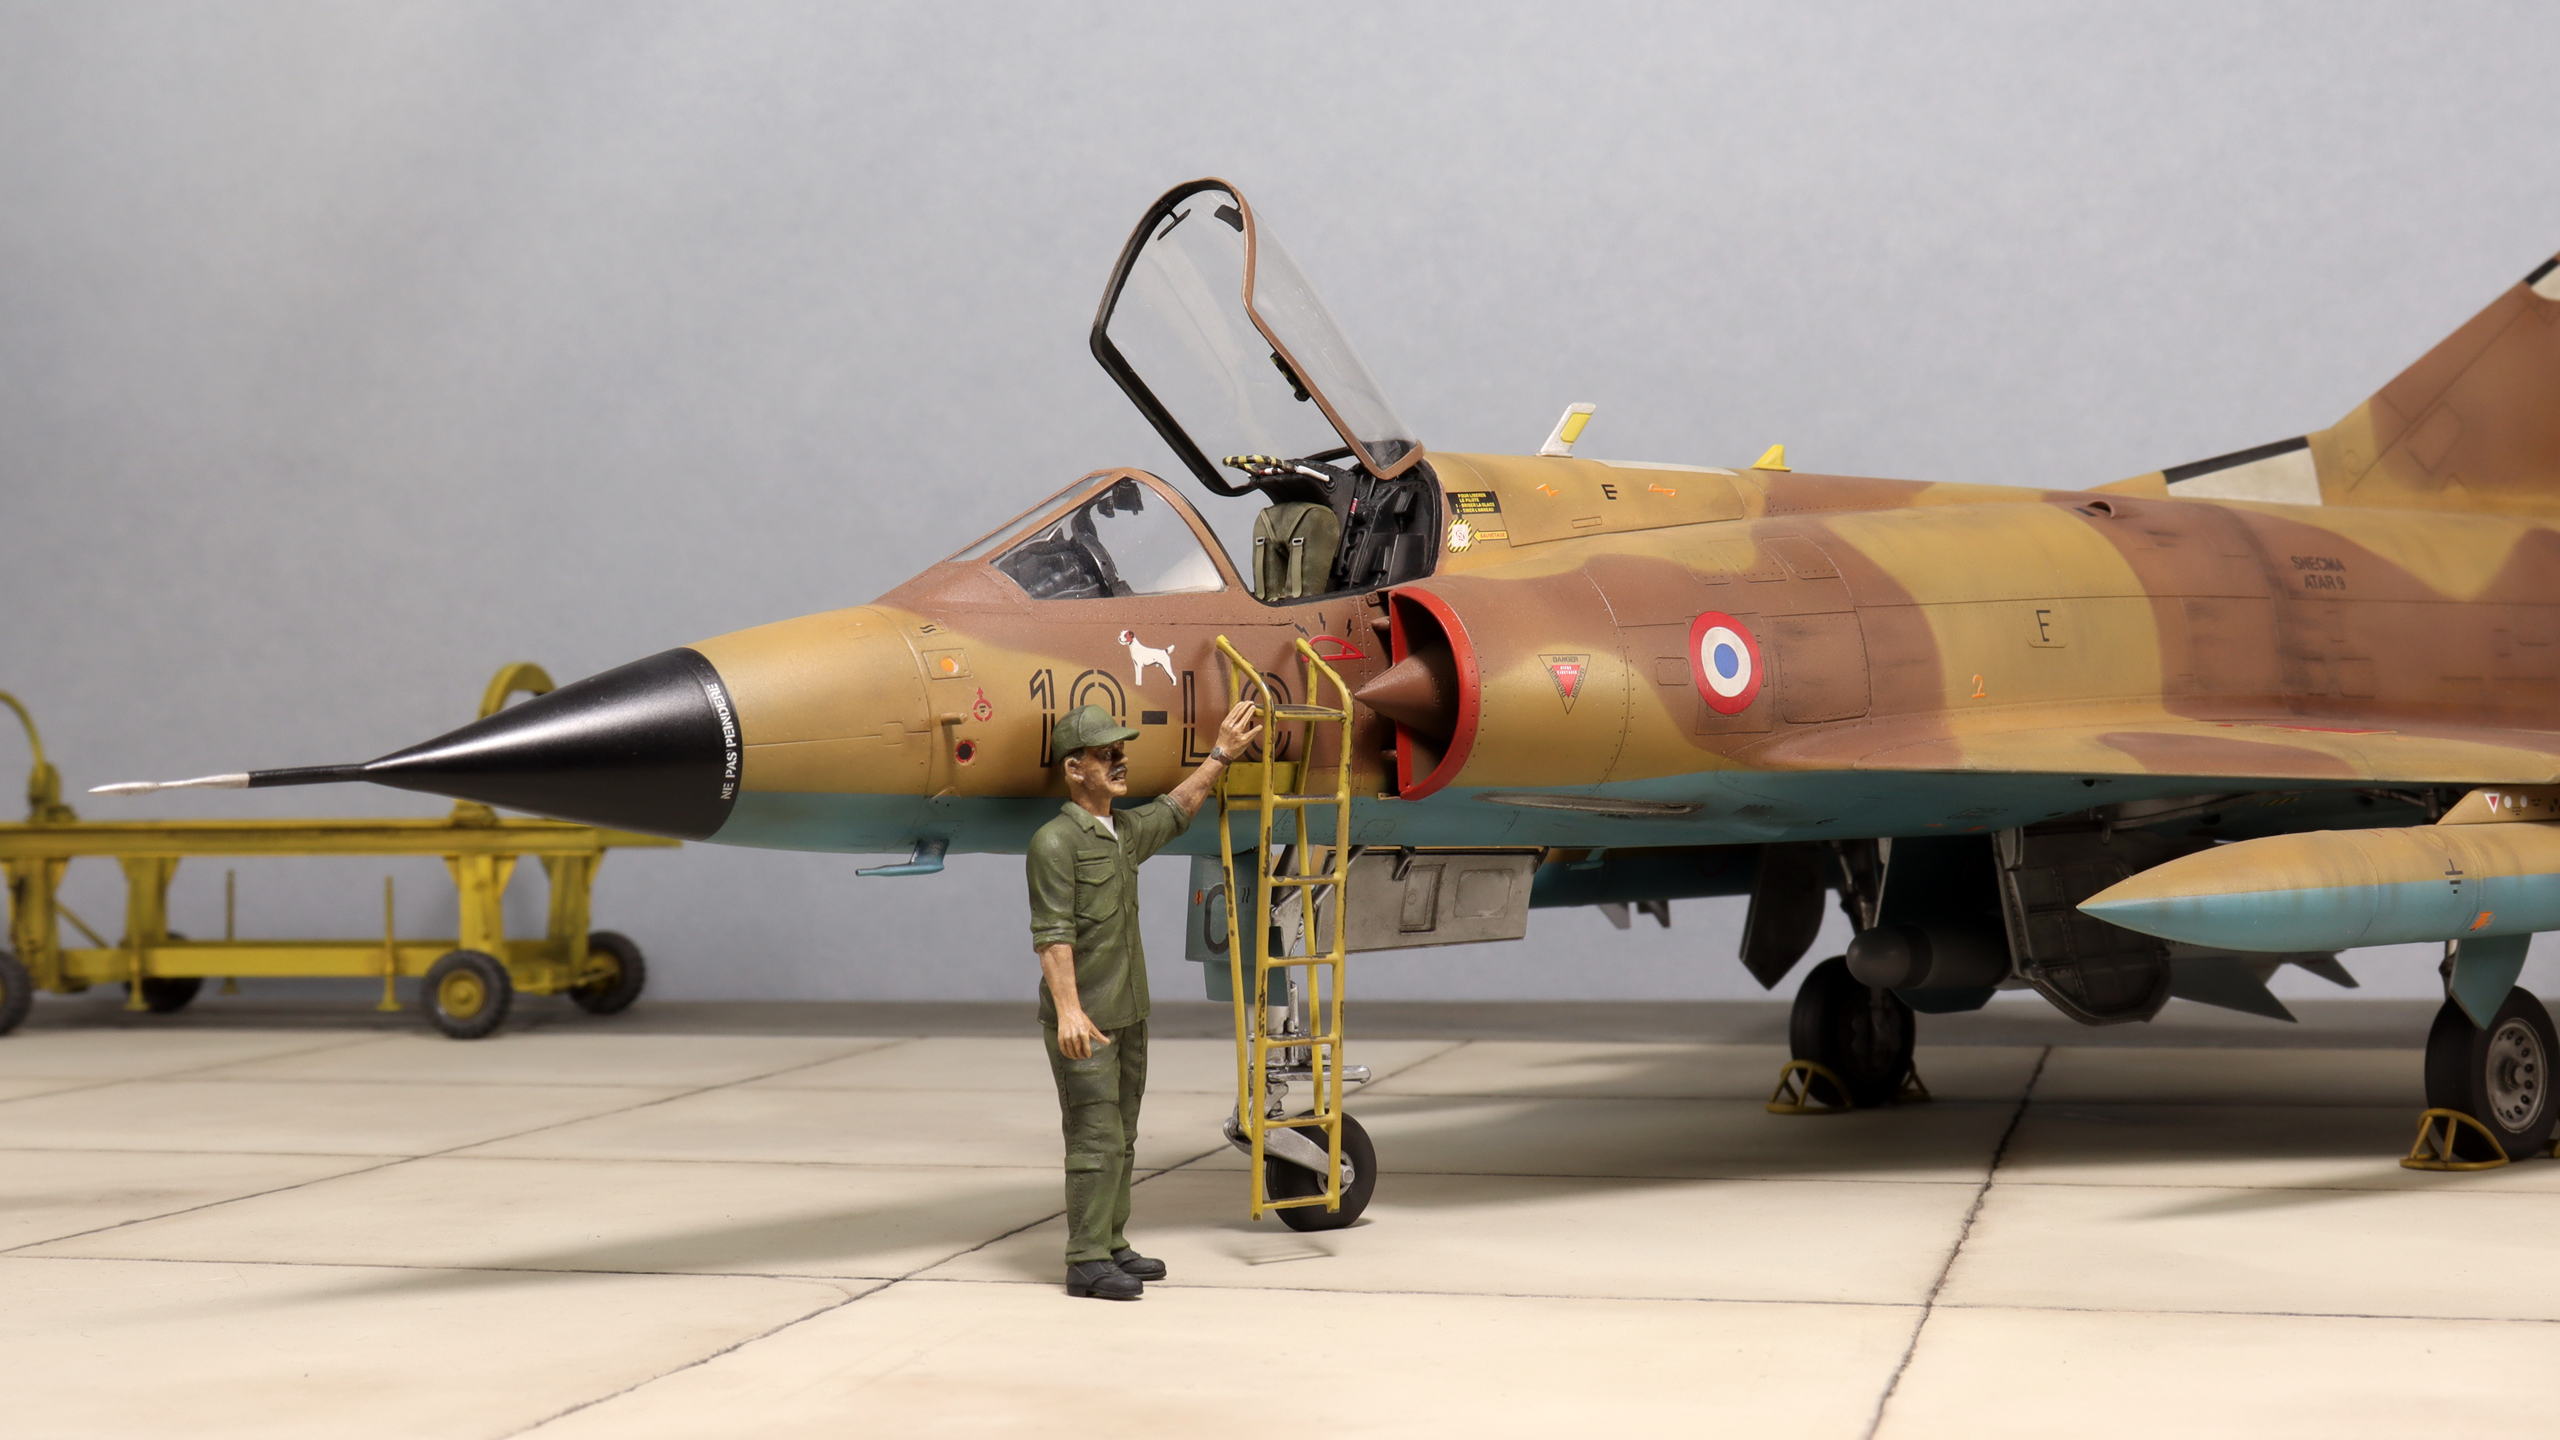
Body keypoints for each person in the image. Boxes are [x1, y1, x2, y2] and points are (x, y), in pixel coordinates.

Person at [1028, 698, 1262, 1300]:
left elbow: (1177, 808)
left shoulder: (1122, 833)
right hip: (1087, 1022)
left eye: (1121, 751)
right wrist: (1069, 1011)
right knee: (1094, 1138)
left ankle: (1111, 1242)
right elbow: (1052, 936)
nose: (1120, 761)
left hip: (1129, 1012)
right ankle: (1085, 1259)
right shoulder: (1055, 843)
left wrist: (1221, 755)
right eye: (1107, 753)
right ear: (1074, 767)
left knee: (1124, 1135)